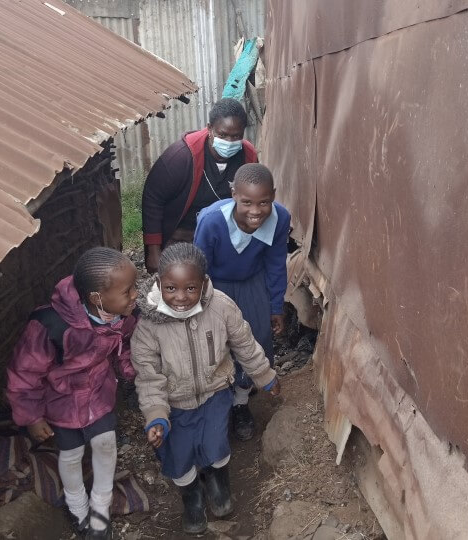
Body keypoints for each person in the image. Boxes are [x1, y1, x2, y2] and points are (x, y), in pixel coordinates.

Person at [131, 243, 280, 535]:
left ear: (204, 283)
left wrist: (265, 375)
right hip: (174, 404)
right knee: (179, 455)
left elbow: (245, 345)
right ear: (159, 282)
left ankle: (218, 482)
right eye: (171, 288)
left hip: (215, 395)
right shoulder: (148, 325)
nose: (181, 297)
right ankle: (192, 500)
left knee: (216, 446)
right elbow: (148, 376)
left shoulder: (221, 306)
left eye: (191, 288)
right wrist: (156, 415)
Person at [6, 248, 139, 540]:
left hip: (99, 393)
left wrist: (134, 375)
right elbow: (25, 373)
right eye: (128, 290)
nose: (135, 296)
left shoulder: (123, 316)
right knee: (71, 454)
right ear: (96, 298)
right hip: (61, 401)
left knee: (106, 445)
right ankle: (78, 507)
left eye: (135, 287)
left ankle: (100, 508)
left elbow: (126, 349)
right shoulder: (51, 326)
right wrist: (32, 417)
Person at [193, 163, 290, 441]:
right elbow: (199, 269)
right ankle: (217, 404)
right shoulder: (211, 221)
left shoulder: (280, 218)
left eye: (264, 202)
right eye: (247, 201)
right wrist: (199, 308)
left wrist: (274, 306)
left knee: (256, 339)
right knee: (217, 342)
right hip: (215, 286)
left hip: (252, 283)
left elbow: (275, 264)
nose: (256, 211)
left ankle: (241, 402)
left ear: (273, 194)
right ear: (233, 193)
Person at [142, 98, 258, 274]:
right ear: (209, 128)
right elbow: (153, 198)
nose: (229, 141)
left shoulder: (248, 156)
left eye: (236, 136)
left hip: (222, 238)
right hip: (181, 238)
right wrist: (154, 251)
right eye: (223, 135)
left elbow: (255, 196)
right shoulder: (181, 157)